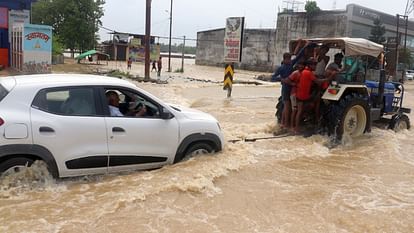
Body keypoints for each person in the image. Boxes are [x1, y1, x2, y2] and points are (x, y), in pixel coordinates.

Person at [294, 58, 335, 134]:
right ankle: (315, 120)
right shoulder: (309, 73)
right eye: (314, 65)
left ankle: (297, 127)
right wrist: (329, 78)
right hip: (304, 96)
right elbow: (318, 82)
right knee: (316, 101)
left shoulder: (304, 71)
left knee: (300, 111)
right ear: (310, 65)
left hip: (300, 94)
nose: (316, 66)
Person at [282, 61, 305, 129]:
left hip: (299, 94)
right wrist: (294, 84)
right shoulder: (295, 73)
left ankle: (293, 125)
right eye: (300, 65)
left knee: (297, 110)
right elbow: (287, 80)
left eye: (302, 65)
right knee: (294, 110)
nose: (301, 66)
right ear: (298, 65)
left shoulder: (304, 73)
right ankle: (292, 126)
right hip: (294, 93)